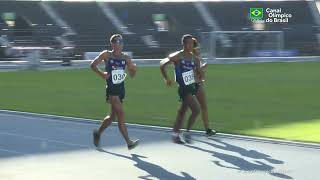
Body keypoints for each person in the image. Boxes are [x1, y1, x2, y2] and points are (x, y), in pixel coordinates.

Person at [90, 34, 139, 150]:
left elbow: (132, 76)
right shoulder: (106, 54)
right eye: (116, 42)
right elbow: (92, 65)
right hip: (111, 90)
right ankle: (129, 142)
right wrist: (102, 74)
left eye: (120, 42)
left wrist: (133, 69)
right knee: (121, 114)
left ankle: (98, 133)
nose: (119, 45)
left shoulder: (126, 58)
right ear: (112, 44)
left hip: (121, 89)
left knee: (112, 117)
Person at [160, 34, 201, 144]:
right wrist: (166, 79)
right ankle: (187, 132)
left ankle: (175, 135)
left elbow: (199, 74)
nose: (190, 45)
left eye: (192, 43)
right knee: (196, 110)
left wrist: (199, 75)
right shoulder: (178, 56)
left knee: (182, 112)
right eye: (188, 43)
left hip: (191, 86)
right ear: (183, 44)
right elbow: (162, 64)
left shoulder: (195, 58)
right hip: (183, 88)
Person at [192, 38, 217, 136]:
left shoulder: (197, 57)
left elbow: (200, 73)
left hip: (197, 84)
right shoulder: (190, 57)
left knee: (203, 107)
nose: (199, 50)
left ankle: (207, 129)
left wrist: (202, 71)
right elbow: (194, 71)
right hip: (191, 84)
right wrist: (203, 68)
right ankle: (179, 129)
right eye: (197, 48)